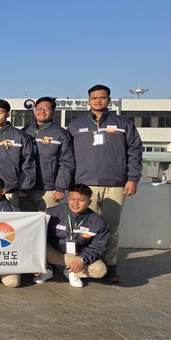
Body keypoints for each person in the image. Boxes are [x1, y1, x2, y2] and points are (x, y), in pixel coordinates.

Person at [66, 84, 143, 283]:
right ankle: (82, 264)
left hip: (115, 184)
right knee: (83, 229)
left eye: (102, 97)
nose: (98, 100)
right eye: (94, 97)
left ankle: (110, 266)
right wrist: (69, 184)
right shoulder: (75, 126)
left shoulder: (123, 124)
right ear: (88, 100)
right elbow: (67, 158)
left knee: (110, 228)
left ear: (109, 99)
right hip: (84, 185)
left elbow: (135, 152)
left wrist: (132, 178)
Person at [35, 183, 108, 288]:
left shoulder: (99, 222)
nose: (75, 203)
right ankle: (47, 270)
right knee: (34, 248)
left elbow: (98, 247)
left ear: (89, 202)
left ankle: (73, 272)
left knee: (100, 270)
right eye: (72, 199)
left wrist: (82, 260)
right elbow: (35, 235)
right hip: (53, 252)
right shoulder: (52, 213)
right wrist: (35, 263)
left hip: (77, 256)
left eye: (81, 200)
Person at [19, 97, 74, 211]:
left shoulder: (61, 134)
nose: (42, 111)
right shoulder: (24, 131)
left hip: (48, 190)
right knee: (26, 220)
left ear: (53, 112)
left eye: (46, 109)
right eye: (39, 108)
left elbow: (67, 162)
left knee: (49, 220)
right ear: (34, 111)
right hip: (25, 189)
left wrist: (60, 188)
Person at [0, 99, 35, 204]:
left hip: (10, 190)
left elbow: (28, 164)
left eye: (0, 112)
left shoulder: (20, 136)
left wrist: (24, 188)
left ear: (8, 114)